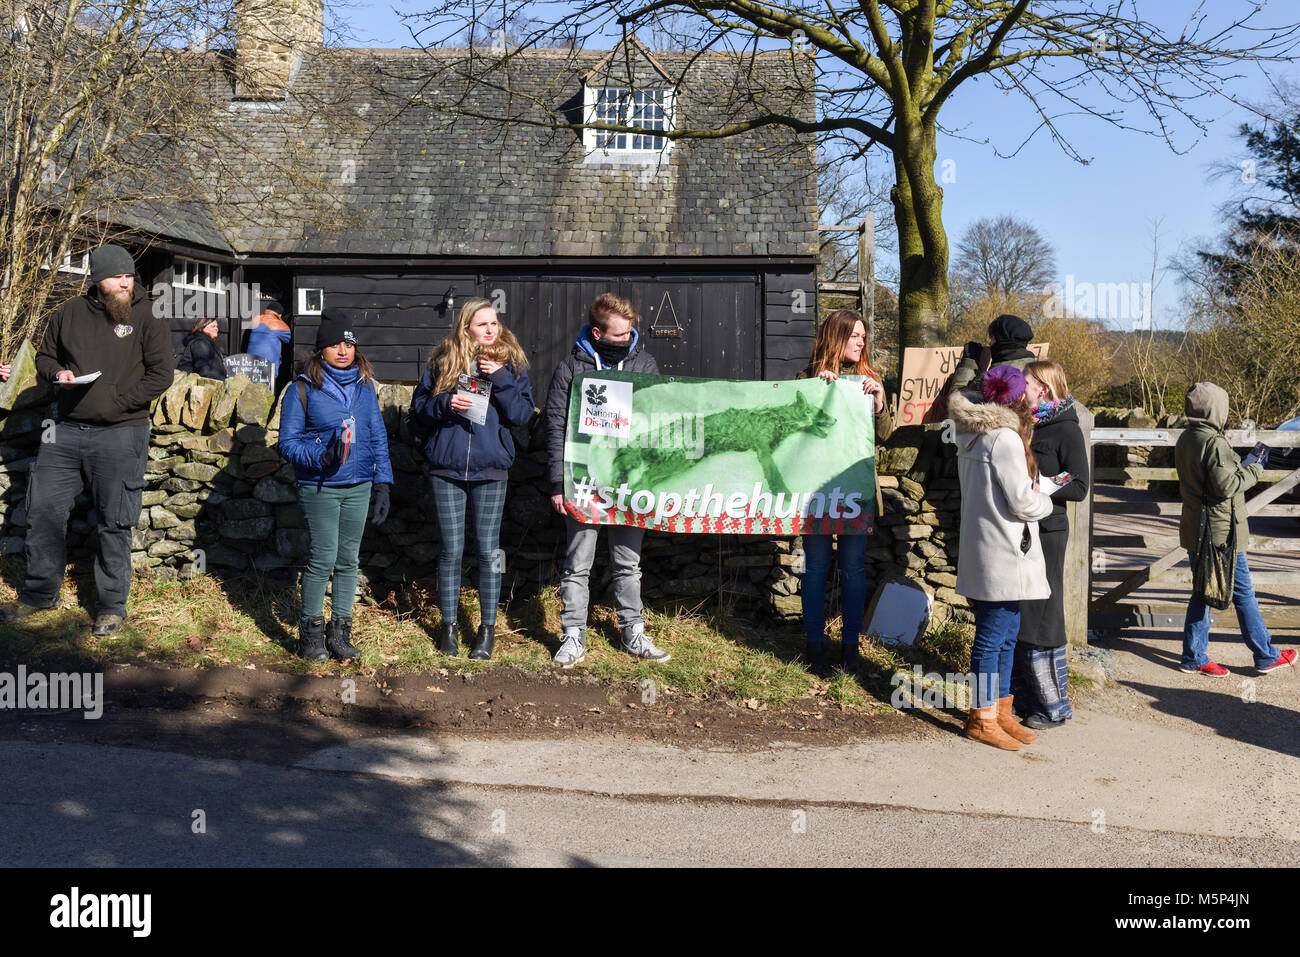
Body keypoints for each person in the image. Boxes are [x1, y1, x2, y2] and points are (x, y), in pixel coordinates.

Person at [0, 245, 173, 636]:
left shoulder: (147, 314)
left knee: (114, 520)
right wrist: (57, 373)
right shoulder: (69, 313)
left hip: (121, 432)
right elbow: (44, 358)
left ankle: (111, 606)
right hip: (62, 430)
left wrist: (117, 401)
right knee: (43, 512)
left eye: (129, 276)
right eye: (117, 278)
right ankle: (39, 595)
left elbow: (162, 374)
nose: (126, 283)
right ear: (97, 279)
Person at [544, 293, 670, 668]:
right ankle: (572, 637)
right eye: (618, 336)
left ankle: (633, 632)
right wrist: (556, 482)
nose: (627, 340)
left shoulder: (645, 363)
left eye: (630, 333)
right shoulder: (571, 368)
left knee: (628, 564)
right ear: (597, 333)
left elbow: (661, 420)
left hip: (631, 482)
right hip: (582, 479)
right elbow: (555, 425)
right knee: (577, 564)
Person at [409, 298, 534, 661]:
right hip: (446, 469)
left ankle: (486, 630)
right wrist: (444, 404)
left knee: (490, 551)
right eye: (483, 324)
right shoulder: (442, 362)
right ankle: (449, 628)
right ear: (466, 329)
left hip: (491, 469)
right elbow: (417, 412)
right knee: (450, 550)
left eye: (494, 323)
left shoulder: (511, 365)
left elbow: (521, 416)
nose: (491, 330)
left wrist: (499, 378)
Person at [276, 309, 393, 662]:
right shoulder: (302, 388)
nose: (343, 350)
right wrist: (319, 457)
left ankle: (340, 632)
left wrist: (383, 481)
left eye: (348, 343)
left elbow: (376, 435)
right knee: (323, 558)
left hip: (358, 484)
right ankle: (310, 632)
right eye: (335, 344)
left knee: (347, 560)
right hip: (320, 486)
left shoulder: (365, 385)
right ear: (321, 348)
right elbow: (287, 442)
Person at [949, 365, 1054, 750]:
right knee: (993, 637)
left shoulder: (972, 432)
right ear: (1014, 397)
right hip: (1005, 548)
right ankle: (982, 717)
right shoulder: (1004, 439)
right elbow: (1023, 501)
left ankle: (1001, 711)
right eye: (1026, 389)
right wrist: (1047, 499)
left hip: (989, 545)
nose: (1032, 395)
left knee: (1006, 633)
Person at [795, 308, 894, 676]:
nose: (861, 341)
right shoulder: (806, 377)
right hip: (817, 494)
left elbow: (885, 433)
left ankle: (851, 650)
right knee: (816, 568)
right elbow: (797, 432)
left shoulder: (870, 379)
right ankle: (814, 646)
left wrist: (880, 401)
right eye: (854, 335)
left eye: (863, 336)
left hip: (856, 494)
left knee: (853, 570)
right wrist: (815, 392)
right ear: (836, 336)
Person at [1175, 381, 1295, 677]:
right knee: (1243, 594)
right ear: (1216, 409)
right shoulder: (1214, 443)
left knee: (1202, 592)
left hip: (1196, 527)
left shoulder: (1187, 438)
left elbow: (1214, 477)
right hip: (1220, 533)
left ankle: (1193, 657)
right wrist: (1255, 467)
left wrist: (1239, 465)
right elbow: (1228, 485)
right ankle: (1265, 654)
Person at [1011, 359, 1090, 729]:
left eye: (1026, 382)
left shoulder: (1066, 429)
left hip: (1051, 530)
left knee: (1045, 610)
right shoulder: (1030, 423)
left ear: (1043, 388)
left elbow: (1079, 484)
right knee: (1025, 609)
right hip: (1025, 527)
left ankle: (1053, 705)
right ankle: (1025, 697)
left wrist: (1042, 484)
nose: (1020, 388)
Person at [948, 313, 1037, 395]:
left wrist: (969, 363)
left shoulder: (994, 380)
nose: (990, 343)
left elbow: (955, 400)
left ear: (1003, 341)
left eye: (993, 338)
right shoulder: (1037, 373)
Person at [248, 299, 291, 379]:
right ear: (280, 315)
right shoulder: (280, 324)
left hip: (249, 365)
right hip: (269, 369)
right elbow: (289, 340)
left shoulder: (256, 319)